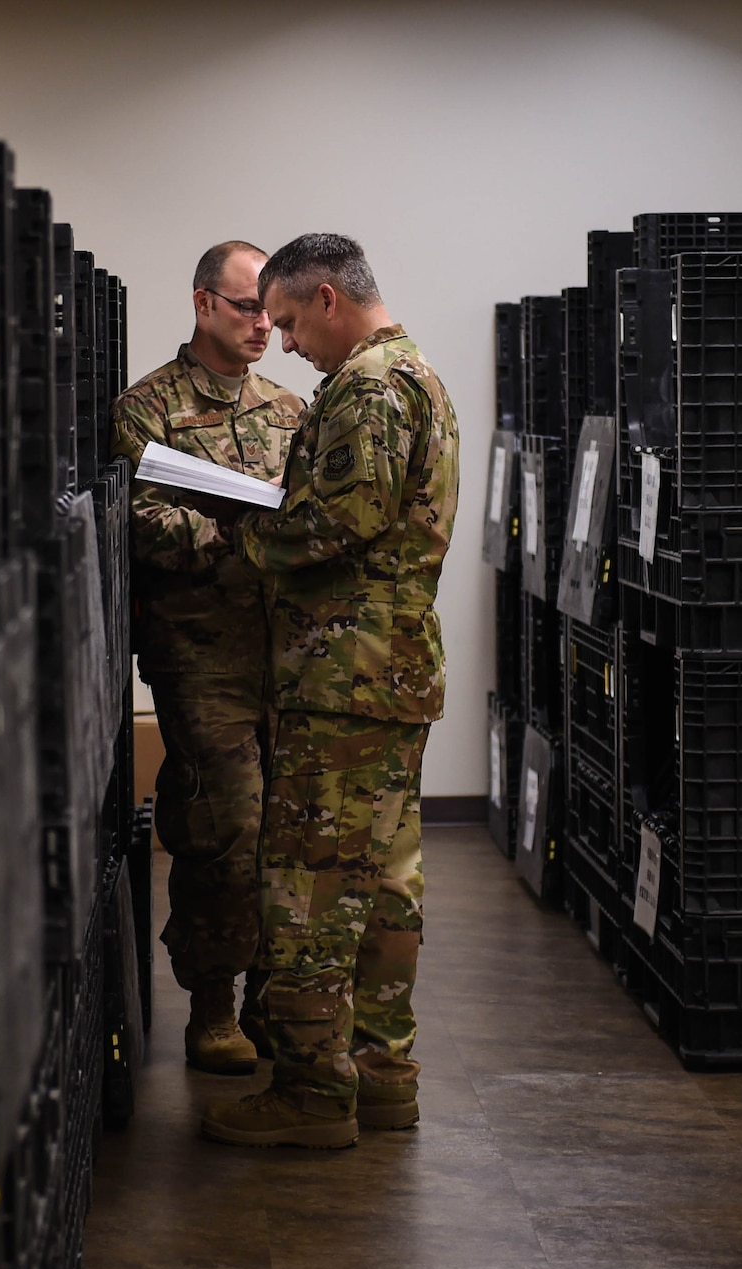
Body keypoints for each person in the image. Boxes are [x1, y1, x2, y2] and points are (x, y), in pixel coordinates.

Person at [200, 233, 458, 1148]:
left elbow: (342, 520)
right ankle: (385, 1076)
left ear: (327, 298)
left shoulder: (370, 387)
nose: (288, 341)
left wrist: (247, 535)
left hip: (341, 670)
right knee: (386, 880)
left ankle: (313, 1090)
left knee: (309, 885)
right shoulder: (416, 374)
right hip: (392, 667)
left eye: (291, 320)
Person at [111, 241, 307, 1075]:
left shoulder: (289, 409)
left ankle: (273, 995)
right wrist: (240, 531)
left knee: (288, 829)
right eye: (245, 308)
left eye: (270, 310)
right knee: (224, 824)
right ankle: (212, 1005)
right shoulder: (146, 407)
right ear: (202, 305)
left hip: (286, 653)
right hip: (201, 651)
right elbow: (140, 519)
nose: (264, 324)